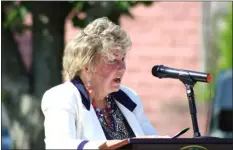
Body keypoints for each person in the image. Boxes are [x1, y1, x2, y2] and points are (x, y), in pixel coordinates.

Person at [41, 17, 169, 149]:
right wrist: (103, 146)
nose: (123, 67)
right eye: (113, 60)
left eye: (123, 58)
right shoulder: (61, 97)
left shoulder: (129, 97)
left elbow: (152, 142)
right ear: (87, 66)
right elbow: (58, 145)